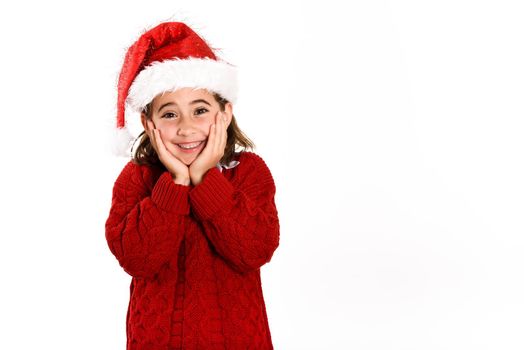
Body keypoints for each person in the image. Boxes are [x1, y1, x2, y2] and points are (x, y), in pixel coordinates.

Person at [105, 22, 280, 350]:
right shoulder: (137, 178)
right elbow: (137, 259)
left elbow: (254, 250)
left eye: (200, 111)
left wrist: (204, 179)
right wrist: (176, 182)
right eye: (169, 115)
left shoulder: (248, 173)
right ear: (148, 123)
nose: (186, 128)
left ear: (225, 113)